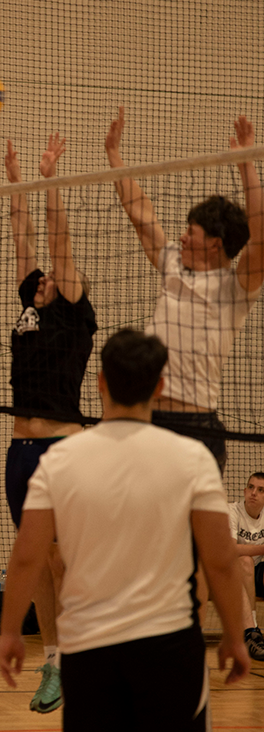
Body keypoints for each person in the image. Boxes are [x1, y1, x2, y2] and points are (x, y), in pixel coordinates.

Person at [0, 329, 249, 732]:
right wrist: (235, 636)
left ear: (101, 382)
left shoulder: (61, 460)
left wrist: (11, 632)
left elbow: (27, 557)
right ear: (159, 386)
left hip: (88, 647)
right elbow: (220, 559)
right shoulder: (191, 458)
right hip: (168, 643)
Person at [104, 108, 264, 473]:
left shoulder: (236, 288)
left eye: (191, 232)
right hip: (147, 420)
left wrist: (246, 163)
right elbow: (141, 215)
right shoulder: (173, 262)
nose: (182, 237)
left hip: (196, 426)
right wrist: (114, 156)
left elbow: (260, 237)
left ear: (215, 244)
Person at [4, 133, 97, 714]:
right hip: (19, 451)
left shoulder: (74, 312)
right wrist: (16, 181)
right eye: (38, 278)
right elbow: (24, 236)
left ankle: (83, 653)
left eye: (51, 276)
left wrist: (49, 180)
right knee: (34, 558)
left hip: (63, 448)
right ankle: (55, 659)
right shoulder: (29, 306)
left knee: (62, 558)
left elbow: (57, 239)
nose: (42, 278)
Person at [227, 472, 264, 661]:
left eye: (261, 490)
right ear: (244, 491)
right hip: (231, 573)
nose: (254, 493)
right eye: (251, 487)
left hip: (259, 569)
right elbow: (231, 549)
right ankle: (251, 631)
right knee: (245, 561)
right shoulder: (232, 511)